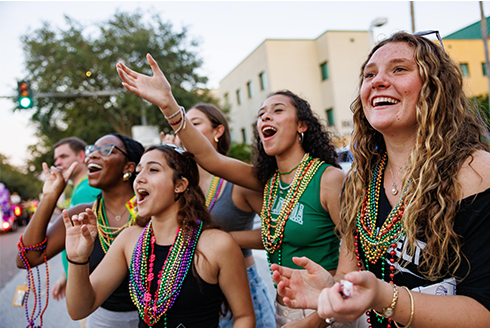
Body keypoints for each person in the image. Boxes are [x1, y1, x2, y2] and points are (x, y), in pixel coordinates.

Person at [270, 31, 490, 328]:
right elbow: (351, 279)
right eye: (369, 74)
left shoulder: (475, 171)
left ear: (436, 87)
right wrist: (330, 290)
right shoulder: (360, 182)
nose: (377, 81)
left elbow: (484, 311)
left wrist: (385, 298)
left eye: (399, 69)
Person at [117, 55, 345, 327]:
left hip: (330, 306)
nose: (265, 117)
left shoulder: (329, 178)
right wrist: (168, 105)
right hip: (284, 305)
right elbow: (209, 157)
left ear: (302, 125)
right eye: (261, 114)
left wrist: (319, 318)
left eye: (278, 110)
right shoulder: (267, 181)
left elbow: (354, 256)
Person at [64, 144, 256, 328]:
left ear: (179, 185)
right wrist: (78, 259)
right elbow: (79, 309)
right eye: (138, 171)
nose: (139, 178)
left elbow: (244, 316)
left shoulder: (217, 245)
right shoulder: (129, 239)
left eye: (153, 170)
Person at [162, 103, 275, 328]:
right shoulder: (181, 184)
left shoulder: (238, 181)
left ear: (218, 131)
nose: (184, 132)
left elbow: (279, 232)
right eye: (181, 128)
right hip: (194, 291)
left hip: (241, 287)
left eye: (194, 124)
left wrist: (219, 241)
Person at [16, 133, 145, 328]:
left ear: (129, 167)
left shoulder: (150, 213)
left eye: (106, 150)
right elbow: (27, 258)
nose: (92, 155)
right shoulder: (81, 214)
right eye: (92, 151)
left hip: (153, 319)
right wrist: (50, 196)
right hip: (101, 319)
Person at [51, 137, 100, 303]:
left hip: (89, 284)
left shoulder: (86, 190)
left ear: (81, 157)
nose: (58, 163)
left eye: (63, 157)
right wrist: (66, 276)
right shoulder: (79, 189)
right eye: (56, 159)